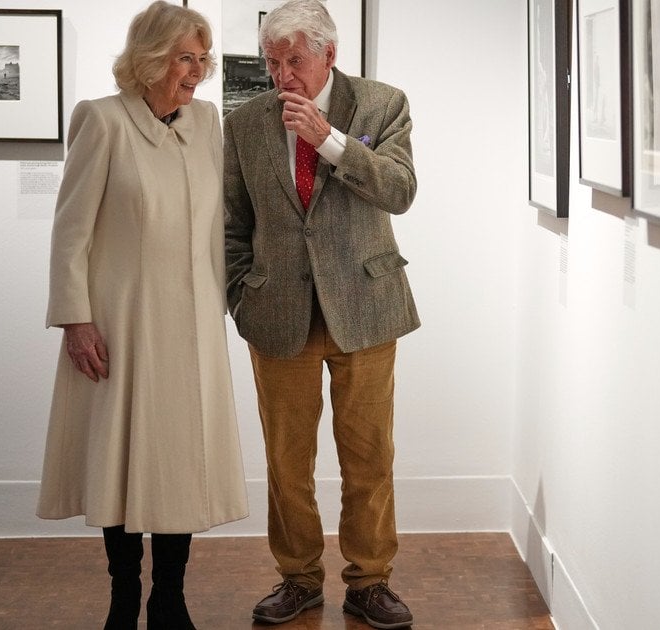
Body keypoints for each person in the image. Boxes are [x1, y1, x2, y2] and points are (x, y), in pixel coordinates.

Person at [37, 2, 248, 629]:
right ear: (151, 59)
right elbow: (70, 232)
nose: (199, 70)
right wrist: (75, 320)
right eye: (186, 57)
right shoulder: (101, 120)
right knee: (121, 459)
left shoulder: (206, 122)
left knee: (180, 461)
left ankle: (169, 598)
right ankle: (124, 595)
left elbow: (220, 220)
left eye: (203, 58)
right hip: (121, 324)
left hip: (193, 327)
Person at [223, 0, 419, 627]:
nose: (282, 75)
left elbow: (400, 191)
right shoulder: (245, 122)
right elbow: (232, 222)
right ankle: (299, 578)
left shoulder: (382, 105)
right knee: (287, 463)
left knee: (369, 457)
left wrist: (328, 141)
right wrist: (240, 295)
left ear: (329, 54)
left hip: (365, 308)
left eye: (294, 61)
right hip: (278, 312)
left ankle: (370, 581)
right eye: (272, 62)